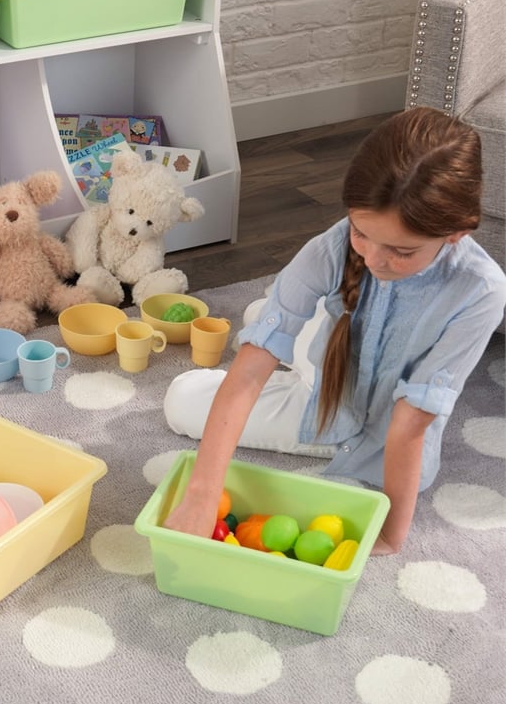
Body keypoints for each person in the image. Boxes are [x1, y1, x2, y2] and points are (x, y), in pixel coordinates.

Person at [163, 106, 506, 555]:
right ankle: (275, 318)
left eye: (401, 251)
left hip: (388, 432)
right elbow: (247, 374)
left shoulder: (480, 291)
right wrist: (202, 494)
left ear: (456, 233)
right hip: (325, 387)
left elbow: (411, 424)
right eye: (362, 234)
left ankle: (275, 316)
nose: (375, 259)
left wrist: (388, 535)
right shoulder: (332, 246)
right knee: (180, 402)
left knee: (282, 331)